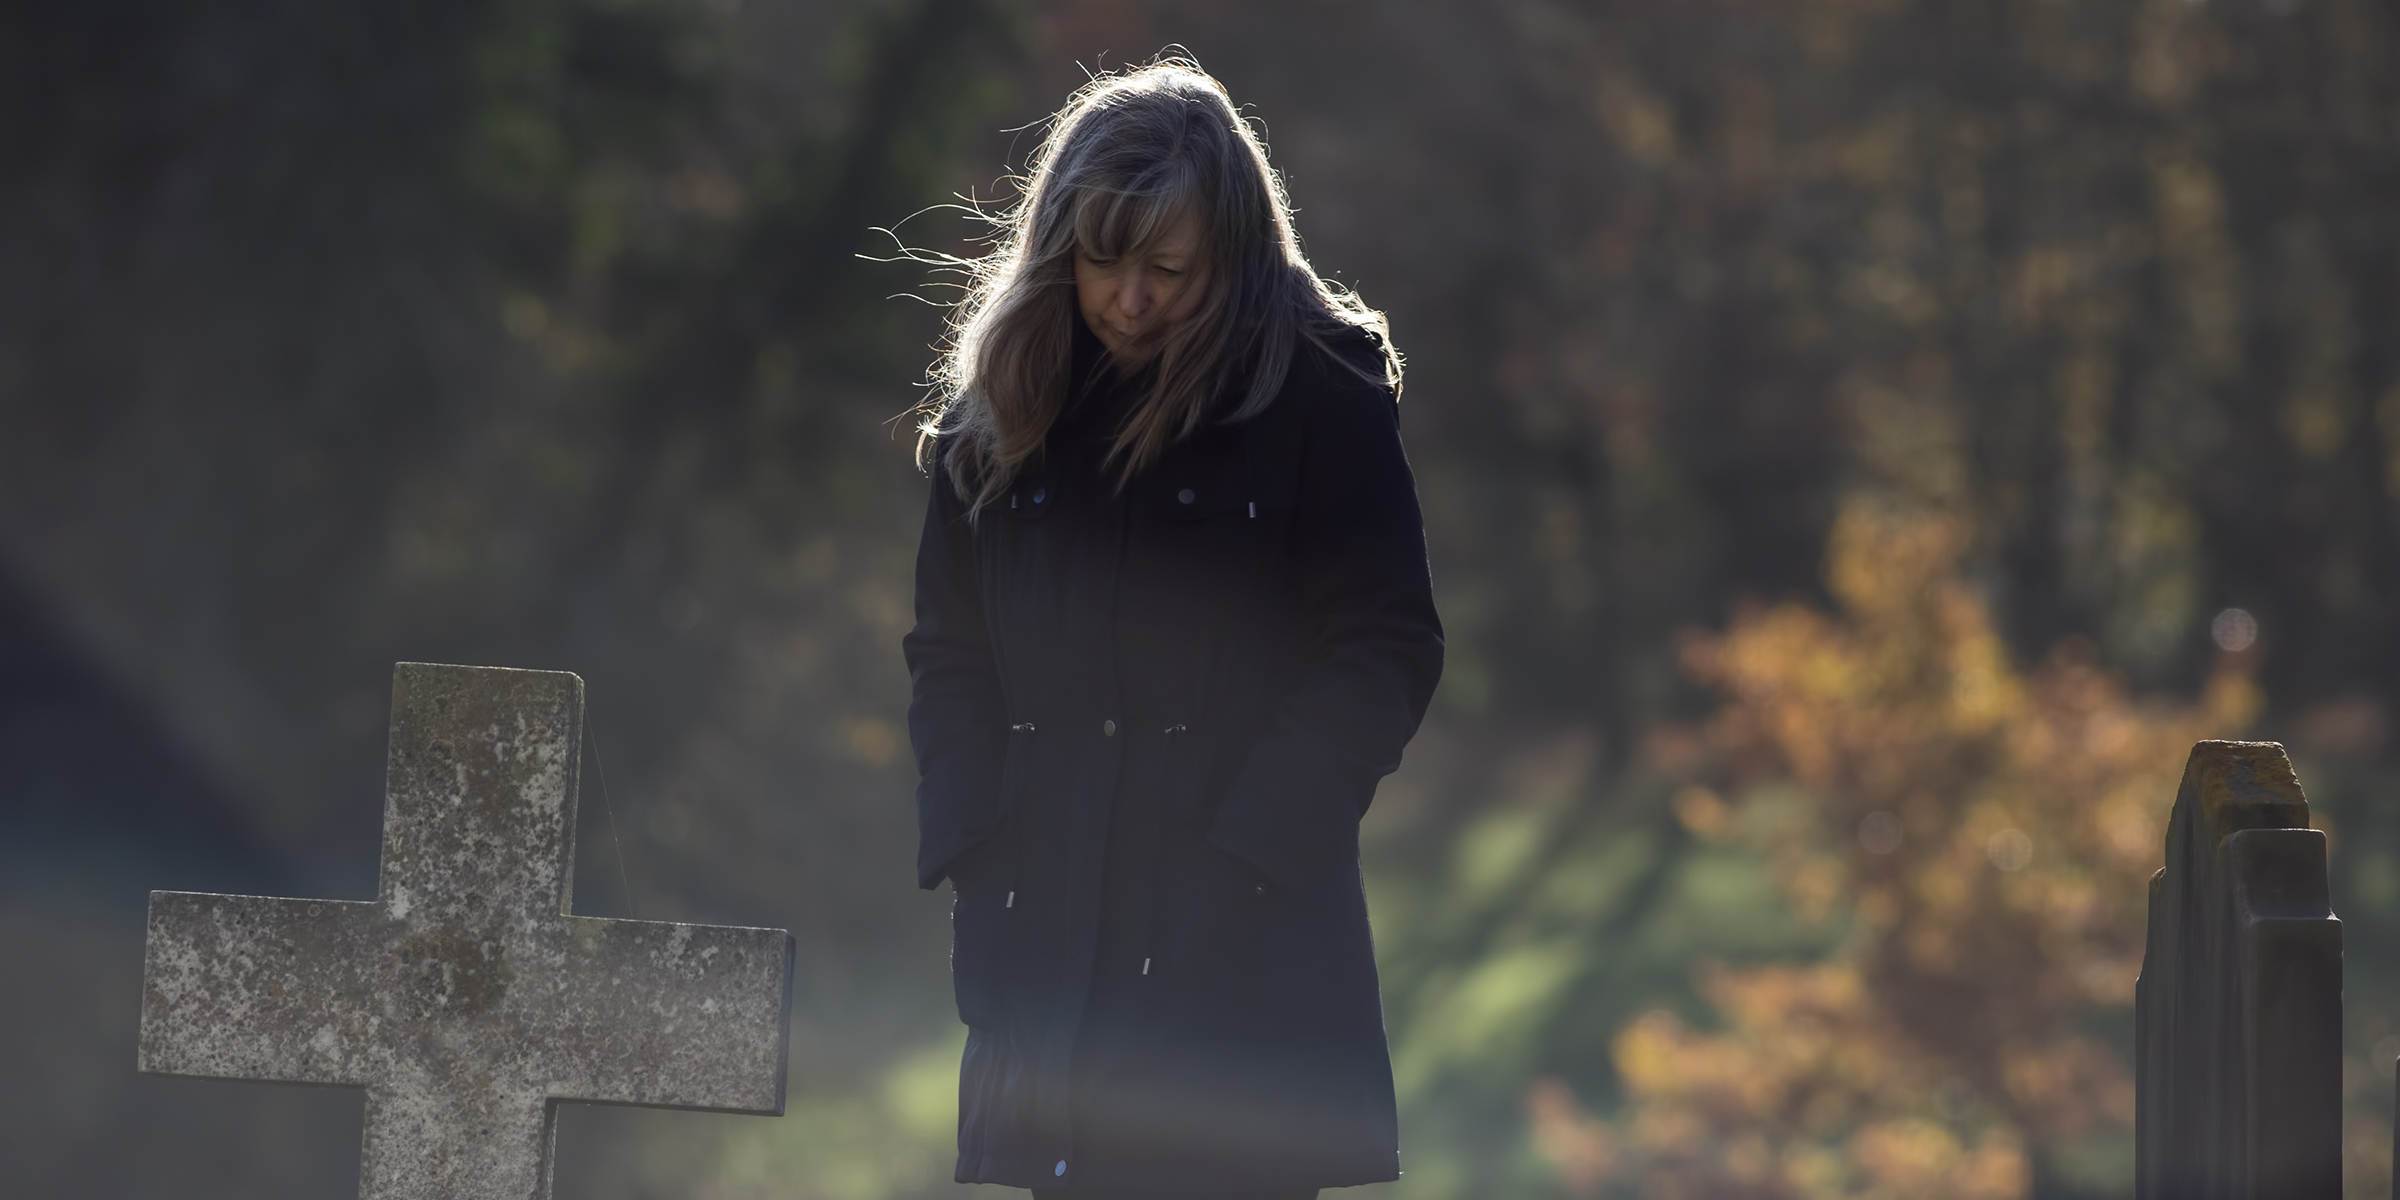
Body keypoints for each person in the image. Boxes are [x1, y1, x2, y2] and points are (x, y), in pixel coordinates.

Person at [902, 58, 1443, 1200]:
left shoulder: (1321, 399)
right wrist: (972, 839)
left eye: (1169, 270)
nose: (1132, 300)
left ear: (1234, 259)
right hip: (1045, 943)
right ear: (1059, 249)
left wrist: (1250, 851)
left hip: (1244, 961)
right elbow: (949, 654)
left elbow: (1382, 648)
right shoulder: (997, 417)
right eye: (1105, 262)